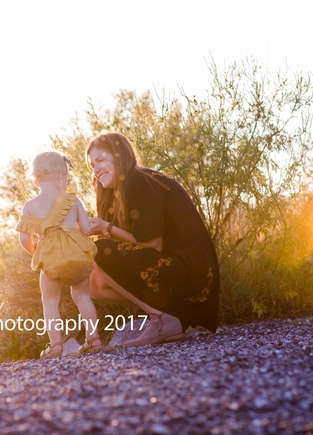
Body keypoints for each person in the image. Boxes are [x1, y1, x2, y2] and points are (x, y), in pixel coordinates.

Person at [86, 132, 220, 347]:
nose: (96, 170)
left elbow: (151, 245)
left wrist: (106, 229)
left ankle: (160, 318)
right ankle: (171, 316)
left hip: (194, 275)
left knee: (97, 251)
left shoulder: (138, 180)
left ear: (119, 156)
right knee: (95, 284)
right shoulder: (119, 193)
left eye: (100, 160)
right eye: (92, 165)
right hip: (178, 271)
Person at [16, 151, 103, 359]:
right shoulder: (73, 200)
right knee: (82, 296)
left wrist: (35, 251)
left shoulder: (30, 206)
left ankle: (56, 346)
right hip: (77, 256)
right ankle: (94, 339)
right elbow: (87, 231)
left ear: (35, 179)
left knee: (50, 300)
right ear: (61, 176)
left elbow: (24, 238)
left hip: (50, 260)